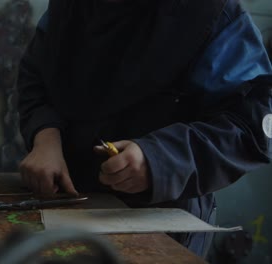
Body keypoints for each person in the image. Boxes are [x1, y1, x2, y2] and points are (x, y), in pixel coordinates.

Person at [17, 0, 272, 258]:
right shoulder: (71, 7)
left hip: (162, 222)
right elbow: (35, 74)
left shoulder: (213, 15)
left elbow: (247, 127)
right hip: (61, 203)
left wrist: (159, 159)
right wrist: (45, 136)